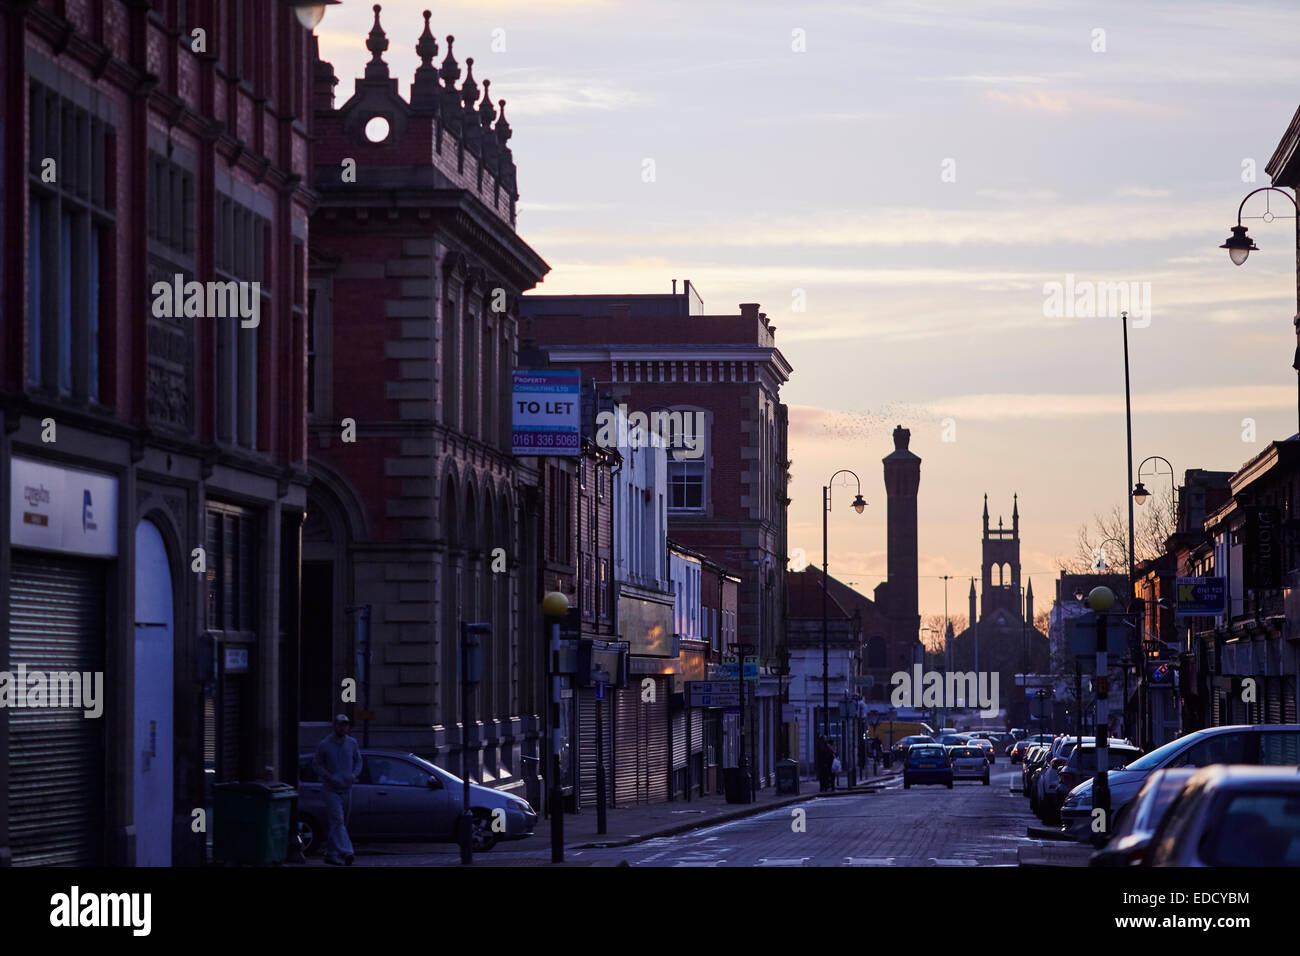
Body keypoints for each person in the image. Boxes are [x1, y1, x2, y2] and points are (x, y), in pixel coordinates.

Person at [313, 713, 363, 866]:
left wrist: (354, 774)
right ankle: (346, 851)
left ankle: (330, 854)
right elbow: (317, 764)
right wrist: (328, 776)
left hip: (347, 788)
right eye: (340, 724)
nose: (343, 727)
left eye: (345, 724)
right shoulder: (325, 744)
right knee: (338, 820)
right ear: (334, 726)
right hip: (331, 789)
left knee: (339, 824)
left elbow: (359, 760)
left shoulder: (352, 743)